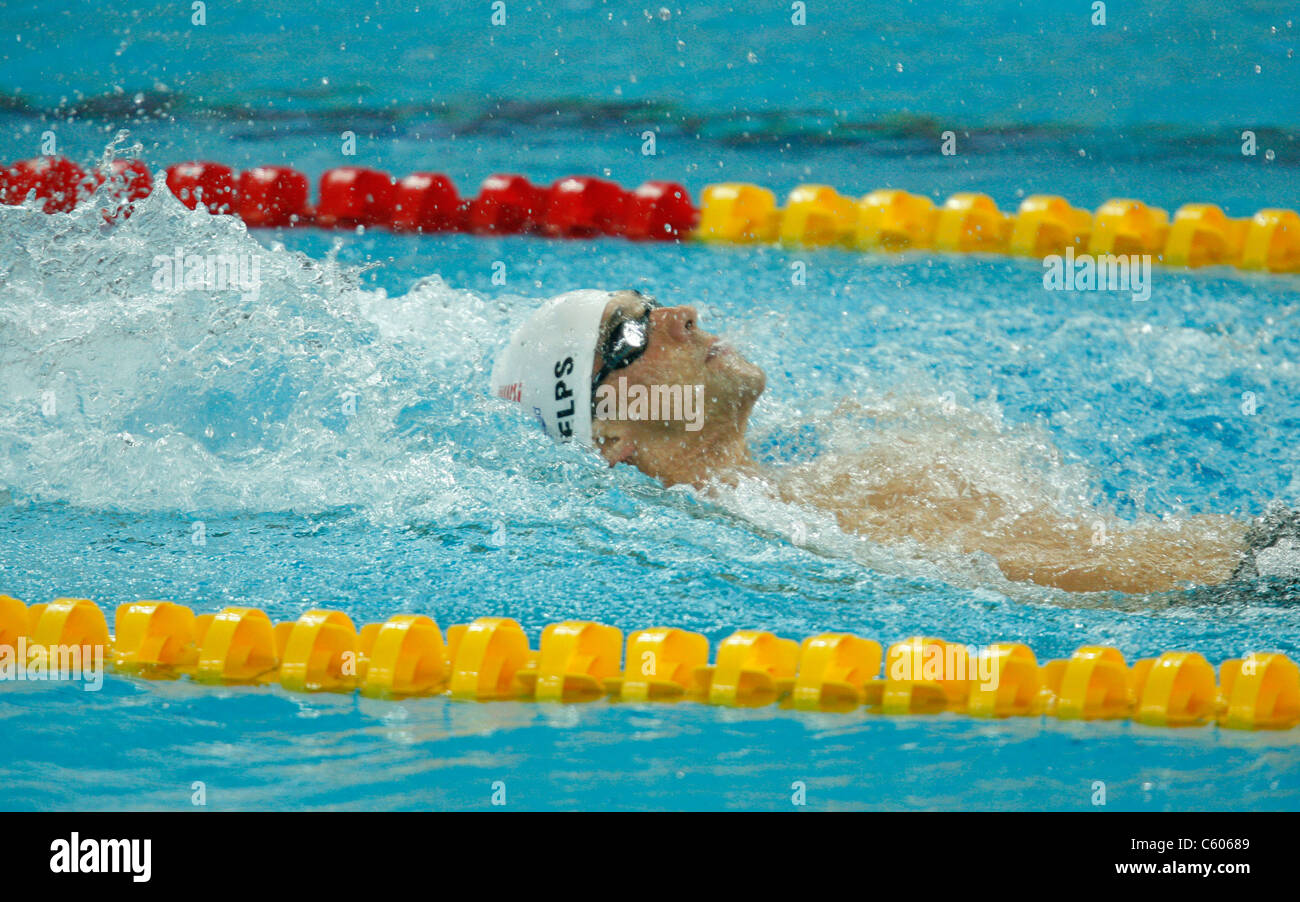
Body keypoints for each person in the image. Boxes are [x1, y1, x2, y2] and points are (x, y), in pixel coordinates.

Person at [491, 289, 1300, 594]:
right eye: (631, 332)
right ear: (610, 436)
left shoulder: (813, 487)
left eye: (655, 300)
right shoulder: (769, 546)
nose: (684, 315)